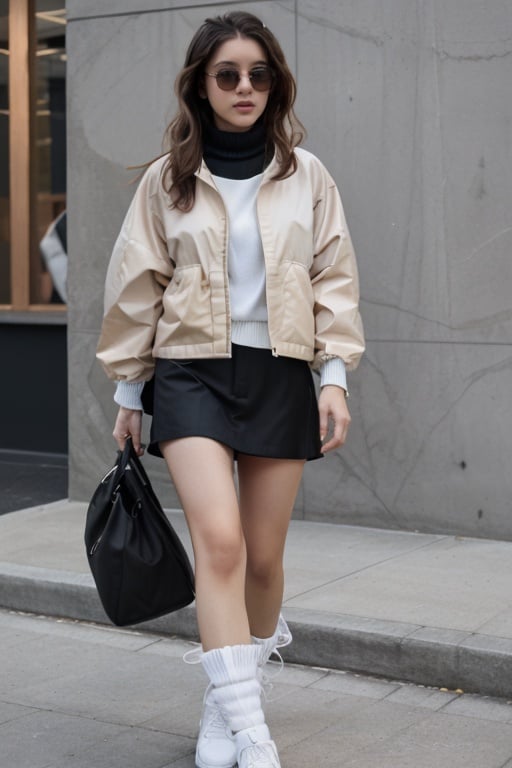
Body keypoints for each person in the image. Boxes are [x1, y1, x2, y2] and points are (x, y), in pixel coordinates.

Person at [96, 11, 365, 768]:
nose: (244, 87)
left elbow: (332, 279)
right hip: (191, 374)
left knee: (264, 560)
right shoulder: (167, 180)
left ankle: (224, 697)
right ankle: (250, 730)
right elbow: (137, 285)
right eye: (227, 75)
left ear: (274, 84)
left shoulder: (306, 176)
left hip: (281, 371)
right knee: (219, 542)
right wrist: (129, 390)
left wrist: (333, 376)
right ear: (201, 87)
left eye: (258, 74)